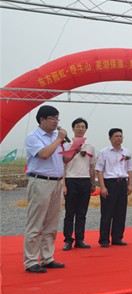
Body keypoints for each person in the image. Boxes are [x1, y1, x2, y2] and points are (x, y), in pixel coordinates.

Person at [24, 105, 74, 273]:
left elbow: (64, 160)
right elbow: (44, 154)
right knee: (36, 222)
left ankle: (47, 258)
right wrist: (59, 139)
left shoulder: (55, 137)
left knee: (52, 223)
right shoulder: (34, 137)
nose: (56, 122)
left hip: (57, 182)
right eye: (53, 118)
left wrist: (74, 150)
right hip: (40, 182)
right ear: (42, 119)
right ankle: (31, 261)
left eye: (57, 119)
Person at [96, 128, 132, 247]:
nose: (119, 138)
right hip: (109, 183)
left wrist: (130, 184)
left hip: (122, 183)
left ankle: (117, 238)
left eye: (121, 136)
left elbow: (130, 169)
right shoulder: (104, 152)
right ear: (110, 138)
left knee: (120, 212)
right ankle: (104, 240)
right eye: (116, 136)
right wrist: (102, 187)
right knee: (107, 213)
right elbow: (99, 170)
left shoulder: (126, 152)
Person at [62, 118, 96, 251]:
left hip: (85, 181)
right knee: (70, 212)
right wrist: (63, 184)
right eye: (78, 126)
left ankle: (80, 239)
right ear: (73, 128)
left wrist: (93, 183)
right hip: (71, 180)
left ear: (86, 129)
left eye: (83, 127)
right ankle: (68, 240)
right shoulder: (66, 145)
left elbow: (92, 167)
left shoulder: (90, 146)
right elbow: (63, 166)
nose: (80, 129)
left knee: (82, 213)